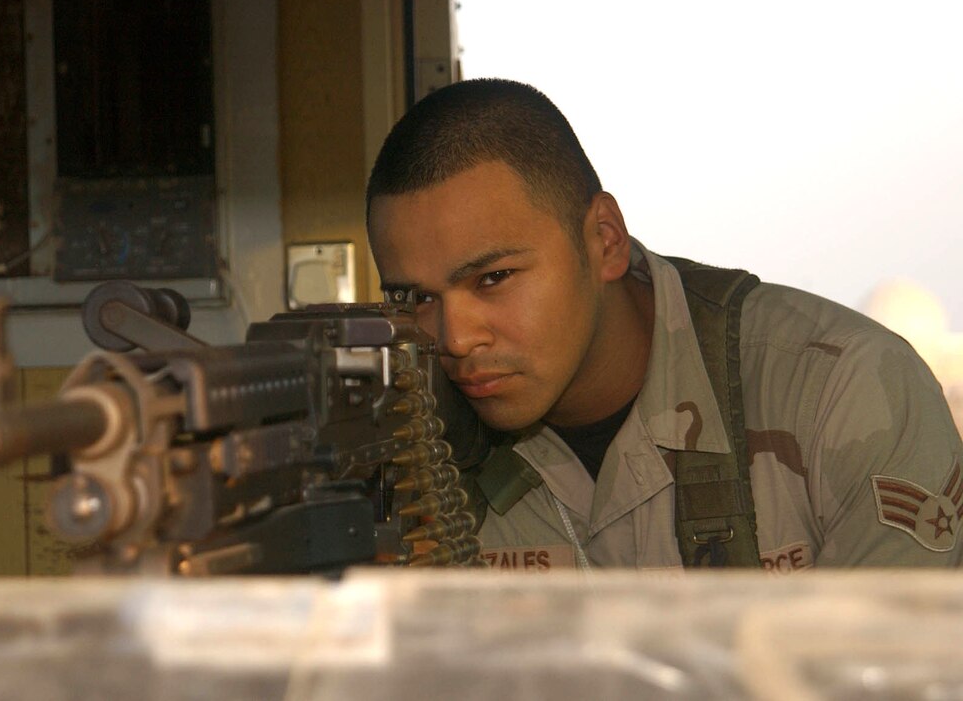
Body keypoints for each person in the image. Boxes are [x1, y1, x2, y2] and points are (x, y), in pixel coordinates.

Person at [365, 78, 963, 570]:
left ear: (604, 240)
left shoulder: (841, 395)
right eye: (415, 297)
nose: (456, 338)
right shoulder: (411, 451)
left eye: (493, 279)